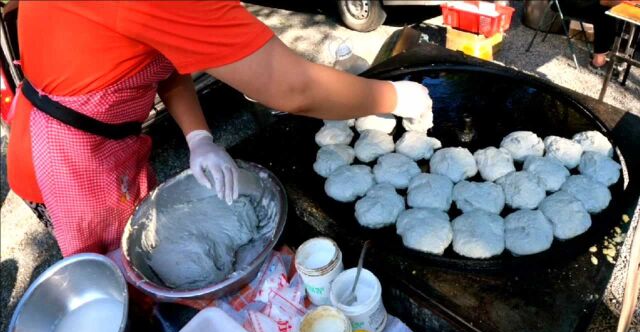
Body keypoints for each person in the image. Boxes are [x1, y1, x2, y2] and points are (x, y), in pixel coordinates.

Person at [5, 2, 431, 257]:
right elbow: (291, 87)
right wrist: (393, 97)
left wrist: (198, 136)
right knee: (121, 288)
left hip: (89, 143)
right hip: (66, 168)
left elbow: (161, 54)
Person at [557, 0, 623, 72]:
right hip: (564, 3)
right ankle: (598, 62)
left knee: (609, 11)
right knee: (605, 13)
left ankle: (606, 53)